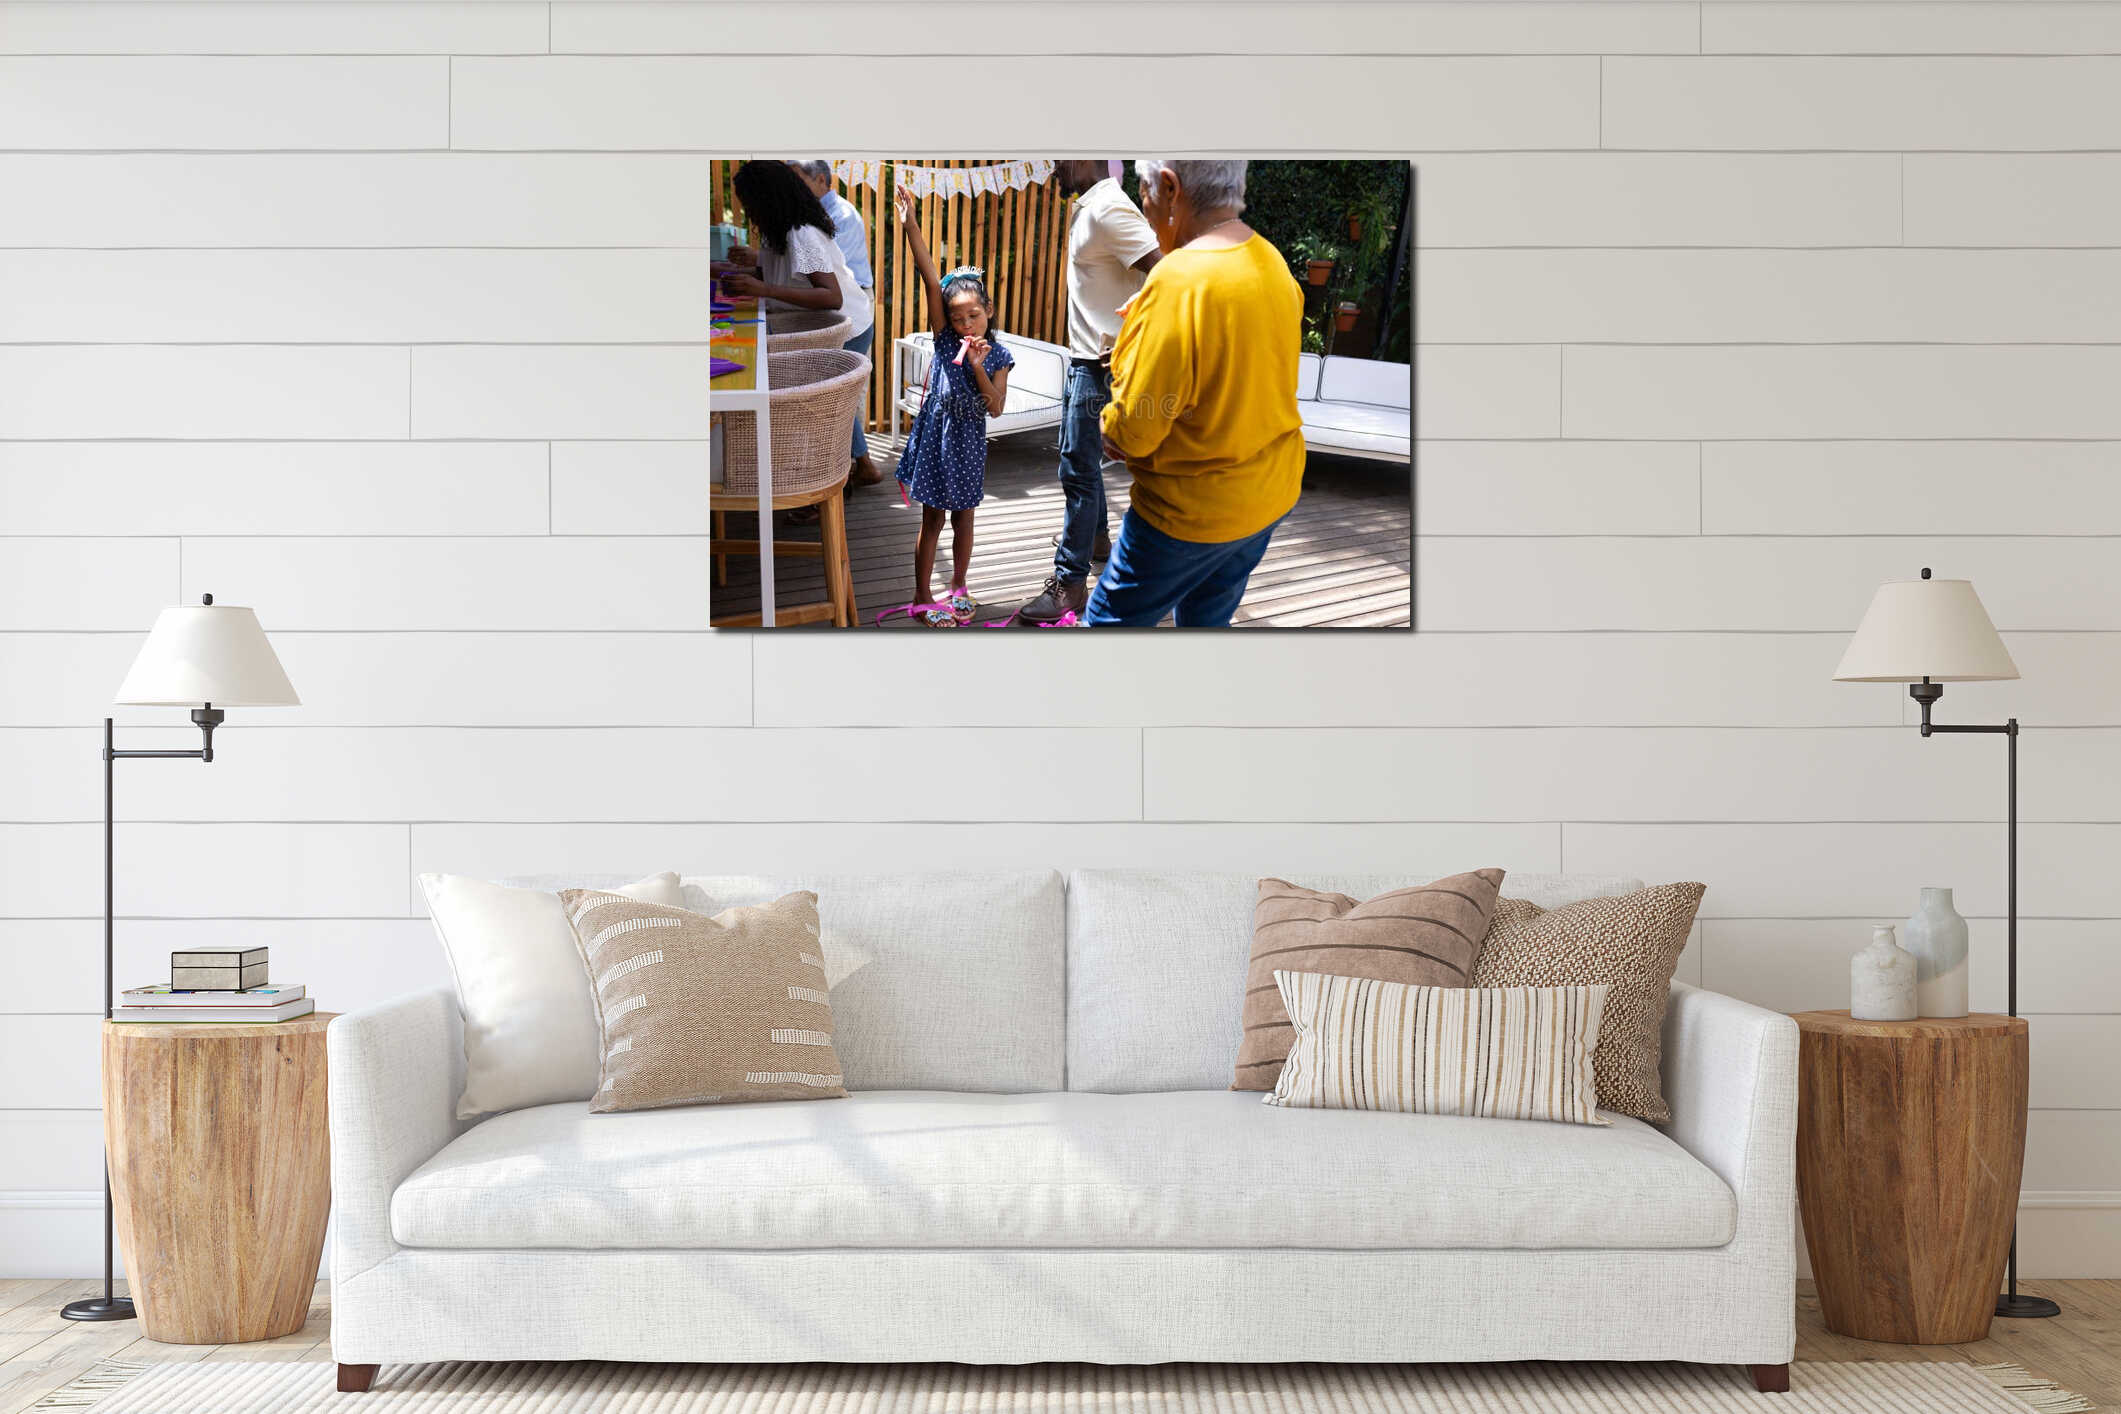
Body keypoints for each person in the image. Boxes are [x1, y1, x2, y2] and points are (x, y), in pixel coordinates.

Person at [1083, 160, 1304, 628]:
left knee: (1106, 623)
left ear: (1169, 187)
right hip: (1268, 496)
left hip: (1189, 514)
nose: (1143, 208)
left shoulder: (1178, 280)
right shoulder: (1272, 260)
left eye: (1142, 193)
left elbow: (1133, 432)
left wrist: (1127, 357)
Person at [1013, 160, 1160, 626]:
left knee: (1076, 467)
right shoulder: (1091, 206)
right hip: (1085, 358)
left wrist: (1127, 342)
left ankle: (1070, 584)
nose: (1054, 169)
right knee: (1081, 463)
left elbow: (1166, 278)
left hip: (1101, 365)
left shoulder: (1109, 208)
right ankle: (1095, 545)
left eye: (1058, 159)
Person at [890, 185, 1013, 627]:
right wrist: (910, 226)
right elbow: (928, 273)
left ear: (989, 312)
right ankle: (922, 595)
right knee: (933, 521)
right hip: (937, 440)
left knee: (964, 520)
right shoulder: (944, 337)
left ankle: (958, 586)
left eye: (973, 316)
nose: (964, 324)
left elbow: (995, 407)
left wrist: (978, 366)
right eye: (958, 317)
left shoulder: (998, 357)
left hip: (969, 443)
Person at [717, 160, 873, 373]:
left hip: (850, 330)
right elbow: (769, 276)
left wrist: (763, 290)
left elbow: (832, 297)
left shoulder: (802, 234)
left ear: (768, 199)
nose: (747, 209)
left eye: (750, 202)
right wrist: (729, 275)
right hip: (821, 325)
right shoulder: (774, 231)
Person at [787, 160, 882, 491]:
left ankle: (857, 465)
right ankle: (859, 464)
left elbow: (828, 273)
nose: (792, 185)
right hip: (843, 305)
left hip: (851, 307)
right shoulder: (809, 216)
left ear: (822, 180)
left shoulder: (838, 214)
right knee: (841, 393)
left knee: (841, 395)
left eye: (798, 178)